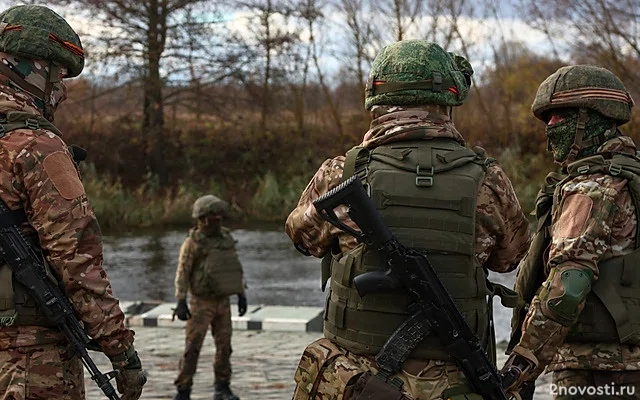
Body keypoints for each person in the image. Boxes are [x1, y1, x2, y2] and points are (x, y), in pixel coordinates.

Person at [285, 39, 530, 400]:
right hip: (454, 381)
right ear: (448, 100)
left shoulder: (344, 172)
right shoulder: (488, 179)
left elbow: (301, 237)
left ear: (377, 100)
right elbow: (510, 258)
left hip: (356, 380)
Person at [0, 4, 146, 400]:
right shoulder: (35, 146)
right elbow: (78, 263)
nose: (61, 91)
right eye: (59, 75)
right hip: (29, 357)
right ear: (31, 69)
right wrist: (122, 352)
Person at [502, 65, 640, 399]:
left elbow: (569, 285)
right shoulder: (629, 176)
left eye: (559, 117)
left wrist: (522, 363)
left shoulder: (591, 188)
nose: (549, 127)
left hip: (596, 368)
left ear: (589, 119)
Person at [173, 194, 248, 400]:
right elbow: (183, 272)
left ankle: (222, 387)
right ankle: (183, 389)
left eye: (219, 216)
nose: (218, 219)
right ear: (203, 218)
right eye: (213, 216)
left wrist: (241, 294)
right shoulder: (193, 243)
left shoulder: (226, 239)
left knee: (224, 347)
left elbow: (234, 268)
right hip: (200, 303)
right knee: (192, 348)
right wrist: (180, 301)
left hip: (223, 302)